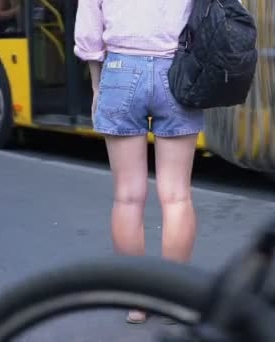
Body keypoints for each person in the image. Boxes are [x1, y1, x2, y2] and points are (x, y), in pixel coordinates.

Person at [74, 0, 203, 324]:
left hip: (119, 70)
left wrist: (95, 85)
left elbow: (89, 25)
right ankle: (174, 299)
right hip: (177, 70)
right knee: (177, 196)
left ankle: (137, 301)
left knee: (127, 197)